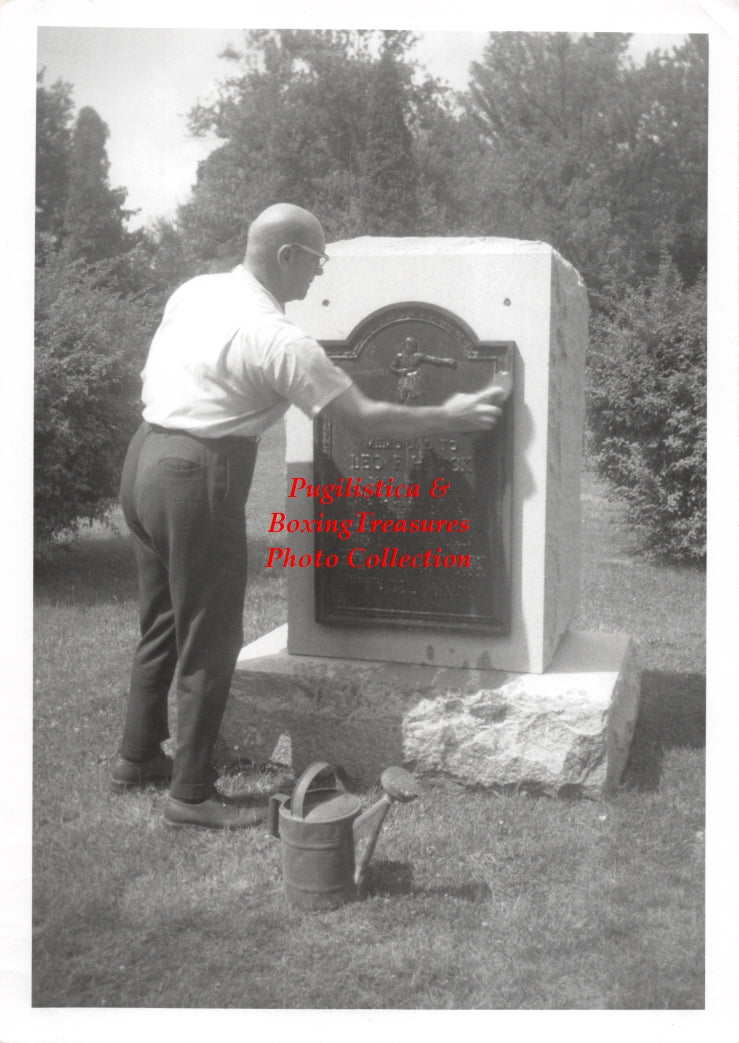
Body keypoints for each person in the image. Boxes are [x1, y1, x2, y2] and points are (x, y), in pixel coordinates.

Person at [111, 203, 506, 829]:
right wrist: (450, 416)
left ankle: (136, 757)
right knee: (210, 636)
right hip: (196, 475)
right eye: (316, 262)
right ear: (287, 255)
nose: (319, 276)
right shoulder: (279, 339)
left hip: (145, 459)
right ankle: (190, 795)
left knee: (161, 620)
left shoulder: (196, 291)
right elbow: (366, 420)